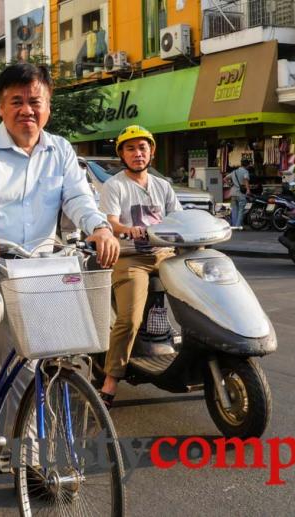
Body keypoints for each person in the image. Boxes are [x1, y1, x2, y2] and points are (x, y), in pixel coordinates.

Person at [0, 63, 119, 424]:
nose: (26, 110)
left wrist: (99, 228)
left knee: (32, 364)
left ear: (48, 106)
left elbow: (79, 197)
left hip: (36, 265)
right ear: (1, 108)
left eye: (35, 101)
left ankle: (26, 465)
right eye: (16, 101)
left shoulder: (61, 151)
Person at [97, 125, 182, 408]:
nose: (137, 153)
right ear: (122, 154)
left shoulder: (163, 186)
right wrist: (127, 229)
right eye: (130, 148)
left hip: (164, 255)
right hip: (131, 258)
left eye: (142, 147)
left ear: (151, 151)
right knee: (129, 319)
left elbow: (179, 219)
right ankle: (111, 379)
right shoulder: (115, 185)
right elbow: (109, 221)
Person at [226, 158, 251, 228]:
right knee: (241, 210)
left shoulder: (234, 172)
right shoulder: (245, 171)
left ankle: (234, 225)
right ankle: (238, 226)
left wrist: (230, 185)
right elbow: (246, 180)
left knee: (234, 210)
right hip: (241, 193)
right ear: (247, 165)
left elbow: (225, 178)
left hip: (233, 193)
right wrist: (248, 190)